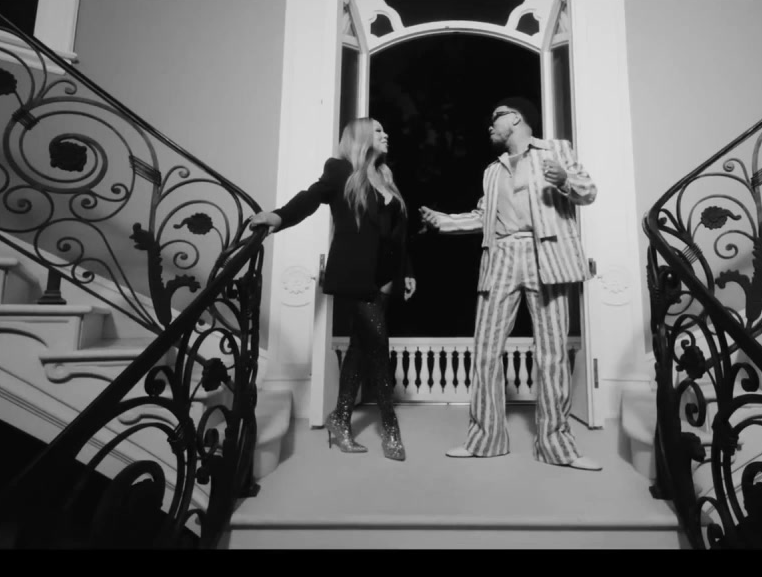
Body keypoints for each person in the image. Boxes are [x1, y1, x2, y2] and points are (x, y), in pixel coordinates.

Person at [420, 97, 601, 471]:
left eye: (495, 118)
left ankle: (557, 446)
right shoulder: (493, 171)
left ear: (515, 118)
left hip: (546, 255)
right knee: (486, 350)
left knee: (552, 353)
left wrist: (564, 180)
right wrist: (444, 222)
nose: (490, 125)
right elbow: (483, 217)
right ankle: (485, 439)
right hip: (501, 254)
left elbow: (588, 192)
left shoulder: (555, 150)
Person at [249, 118, 416, 461]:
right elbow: (311, 197)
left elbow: (396, 234)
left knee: (359, 348)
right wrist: (278, 217)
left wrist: (407, 271)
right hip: (356, 276)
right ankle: (390, 426)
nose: (386, 134)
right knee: (378, 348)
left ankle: (339, 419)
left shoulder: (385, 176)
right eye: (379, 130)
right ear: (361, 136)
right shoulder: (341, 171)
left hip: (385, 279)